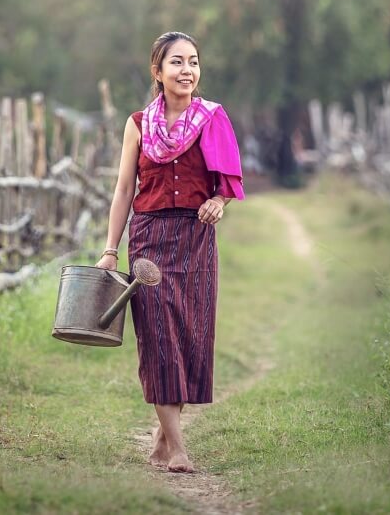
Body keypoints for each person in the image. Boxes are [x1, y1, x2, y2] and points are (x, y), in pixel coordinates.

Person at [95, 31, 244, 473]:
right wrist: (109, 250)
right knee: (159, 340)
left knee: (191, 340)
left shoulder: (213, 118)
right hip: (149, 242)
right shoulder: (138, 124)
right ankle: (178, 448)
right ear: (157, 72)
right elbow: (124, 189)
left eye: (193, 62)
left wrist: (218, 202)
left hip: (196, 241)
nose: (187, 71)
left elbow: (227, 184)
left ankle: (162, 441)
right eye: (177, 63)